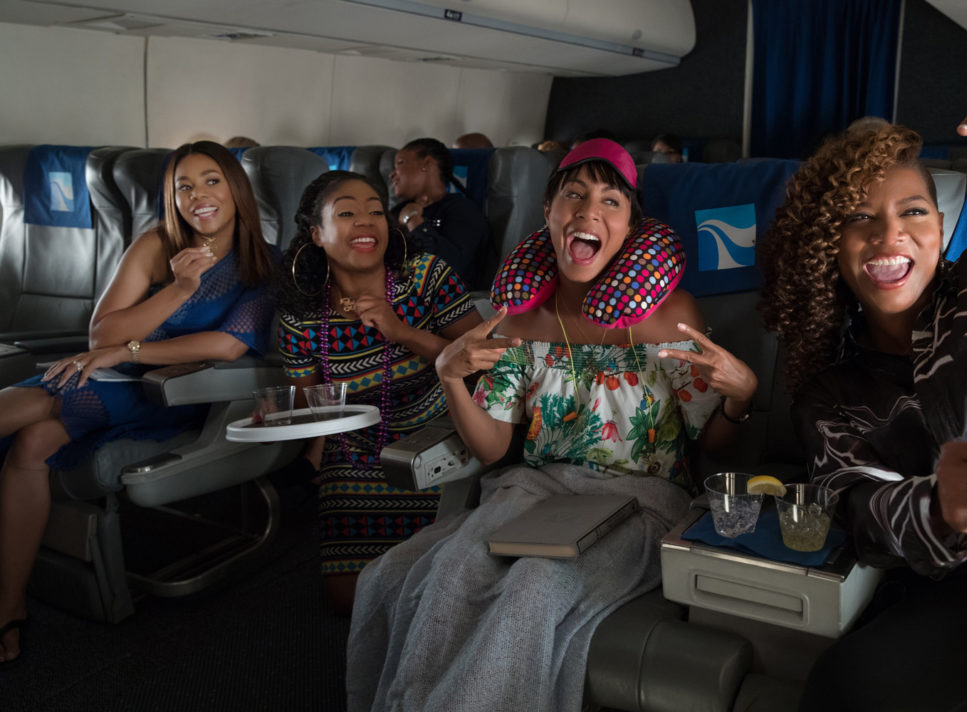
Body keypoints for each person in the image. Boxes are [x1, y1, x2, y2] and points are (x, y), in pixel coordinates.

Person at [346, 139, 757, 711]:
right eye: (574, 195)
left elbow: (715, 445)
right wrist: (449, 376)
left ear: (630, 225)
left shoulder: (672, 315)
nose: (589, 212)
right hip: (534, 494)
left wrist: (742, 397)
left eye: (610, 201)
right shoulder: (517, 321)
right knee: (431, 575)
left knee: (534, 586)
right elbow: (492, 448)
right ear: (549, 212)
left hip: (641, 501)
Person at [759, 47, 967, 711]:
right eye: (859, 218)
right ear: (829, 243)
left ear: (942, 224)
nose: (889, 235)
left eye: (914, 212)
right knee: (845, 689)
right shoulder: (832, 393)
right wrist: (940, 505)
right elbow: (859, 508)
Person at [0, 140, 276, 667]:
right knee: (32, 443)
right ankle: (9, 605)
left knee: (43, 404)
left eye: (211, 181)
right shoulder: (156, 244)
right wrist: (179, 288)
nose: (198, 196)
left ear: (236, 188)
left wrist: (126, 352)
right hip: (110, 373)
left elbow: (226, 346)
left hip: (171, 390)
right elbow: (100, 332)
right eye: (184, 186)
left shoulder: (264, 264)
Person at [276, 170, 482, 613]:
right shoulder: (302, 315)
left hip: (436, 442)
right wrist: (280, 421)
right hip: (353, 457)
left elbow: (485, 363)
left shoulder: (425, 277)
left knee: (440, 584)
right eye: (346, 213)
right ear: (316, 234)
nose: (366, 221)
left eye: (375, 210)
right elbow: (307, 405)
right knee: (348, 599)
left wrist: (402, 332)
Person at [389, 137, 492, 290]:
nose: (392, 174)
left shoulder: (462, 210)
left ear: (427, 164)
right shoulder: (396, 211)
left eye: (400, 163)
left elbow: (452, 269)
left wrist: (414, 222)